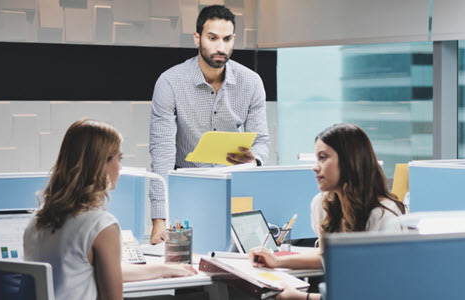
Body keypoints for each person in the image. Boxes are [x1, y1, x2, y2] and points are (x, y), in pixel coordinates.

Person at [24, 119, 197, 300]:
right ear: (101, 164)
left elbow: (95, 271)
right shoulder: (101, 225)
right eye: (118, 158)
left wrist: (165, 269)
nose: (120, 167)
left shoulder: (37, 220)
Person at [149, 4, 269, 244]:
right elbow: (162, 151)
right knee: (188, 273)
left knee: (242, 268)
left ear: (234, 39)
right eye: (212, 38)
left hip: (235, 192)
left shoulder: (251, 82)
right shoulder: (170, 82)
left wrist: (254, 158)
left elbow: (262, 141)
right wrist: (159, 220)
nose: (220, 47)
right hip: (186, 193)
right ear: (197, 38)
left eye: (226, 39)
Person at [248, 123, 406, 300]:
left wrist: (299, 297)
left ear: (349, 161)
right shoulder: (323, 205)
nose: (315, 167)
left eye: (323, 158)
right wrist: (277, 261)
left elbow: (377, 293)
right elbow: (325, 255)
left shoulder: (384, 216)